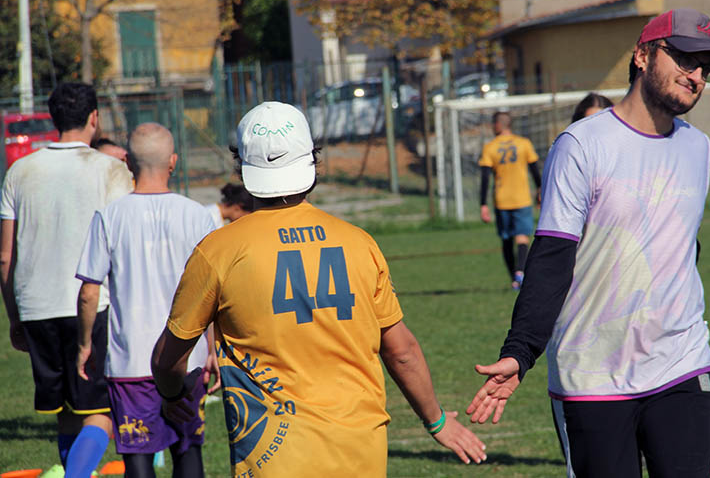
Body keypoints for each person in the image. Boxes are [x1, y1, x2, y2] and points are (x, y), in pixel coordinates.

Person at [151, 101, 487, 476]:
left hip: (272, 457)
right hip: (361, 450)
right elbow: (402, 352)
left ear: (242, 168)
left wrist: (171, 395)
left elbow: (169, 357)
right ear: (312, 160)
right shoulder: (360, 243)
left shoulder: (218, 250)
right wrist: (437, 421)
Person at [467, 8, 710, 478]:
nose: (695, 76)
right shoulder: (582, 145)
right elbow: (551, 257)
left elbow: (684, 248)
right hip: (592, 373)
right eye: (685, 59)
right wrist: (521, 351)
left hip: (681, 362)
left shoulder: (699, 147)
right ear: (643, 55)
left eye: (705, 69)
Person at [0, 83, 133, 477]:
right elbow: (122, 247)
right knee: (101, 413)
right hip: (91, 305)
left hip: (36, 305)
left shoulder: (19, 170)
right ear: (95, 117)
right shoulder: (110, 170)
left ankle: (76, 470)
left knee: (65, 413)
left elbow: (5, 256)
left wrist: (15, 317)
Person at [75, 123, 219, 477]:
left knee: (137, 459)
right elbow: (213, 293)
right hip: (187, 358)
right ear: (173, 162)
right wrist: (213, 348)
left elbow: (89, 291)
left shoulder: (109, 217)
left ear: (127, 163)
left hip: (130, 364)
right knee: (188, 452)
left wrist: (84, 344)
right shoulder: (199, 216)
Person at [478, 111, 542, 290]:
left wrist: (483, 204)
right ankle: (520, 272)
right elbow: (535, 171)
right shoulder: (524, 144)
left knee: (506, 239)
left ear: (498, 126)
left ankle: (514, 278)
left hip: (502, 200)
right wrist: (540, 190)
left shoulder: (490, 147)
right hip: (522, 199)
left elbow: (485, 178)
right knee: (522, 238)